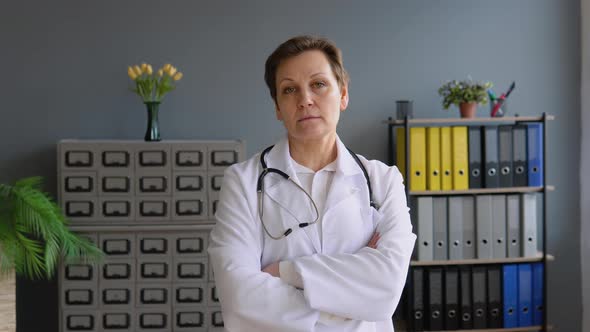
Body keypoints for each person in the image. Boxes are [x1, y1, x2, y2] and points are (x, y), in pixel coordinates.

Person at [208, 35, 416, 332]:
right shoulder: (243, 182)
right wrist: (351, 308)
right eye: (289, 89)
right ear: (278, 107)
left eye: (318, 84)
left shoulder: (383, 181)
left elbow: (386, 291)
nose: (304, 99)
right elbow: (240, 299)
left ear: (343, 95)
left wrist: (285, 271)